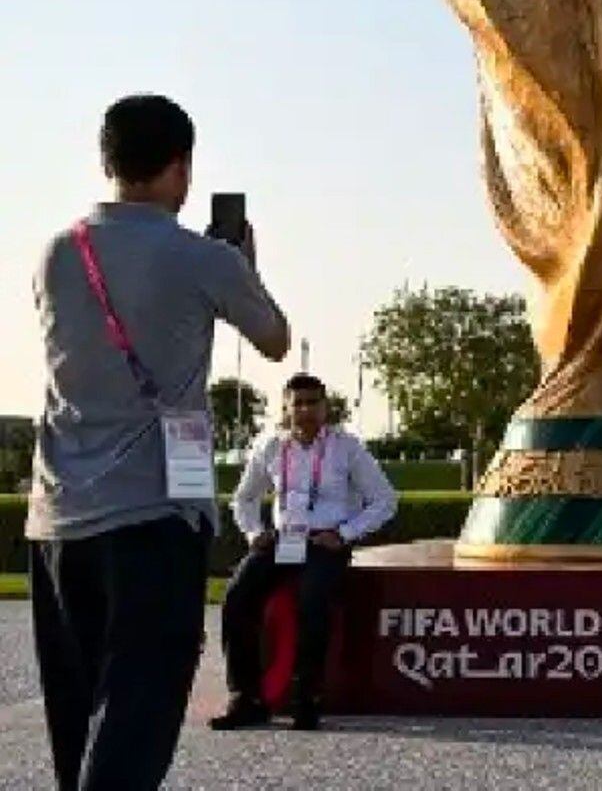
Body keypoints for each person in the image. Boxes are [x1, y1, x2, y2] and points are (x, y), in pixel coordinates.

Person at [29, 94, 291, 791]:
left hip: (58, 517)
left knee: (78, 720)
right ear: (182, 167)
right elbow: (274, 340)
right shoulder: (200, 257)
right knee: (138, 717)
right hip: (150, 516)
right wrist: (241, 266)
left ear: (107, 159)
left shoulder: (59, 251)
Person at [214, 373, 398, 731]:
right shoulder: (270, 446)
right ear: (285, 407)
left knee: (313, 601)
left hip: (324, 542)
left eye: (313, 402)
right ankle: (246, 698)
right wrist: (254, 532)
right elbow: (244, 498)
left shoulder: (347, 447)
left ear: (325, 407)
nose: (305, 410)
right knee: (237, 598)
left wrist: (345, 533)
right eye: (297, 403)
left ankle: (306, 698)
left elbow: (385, 500)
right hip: (282, 539)